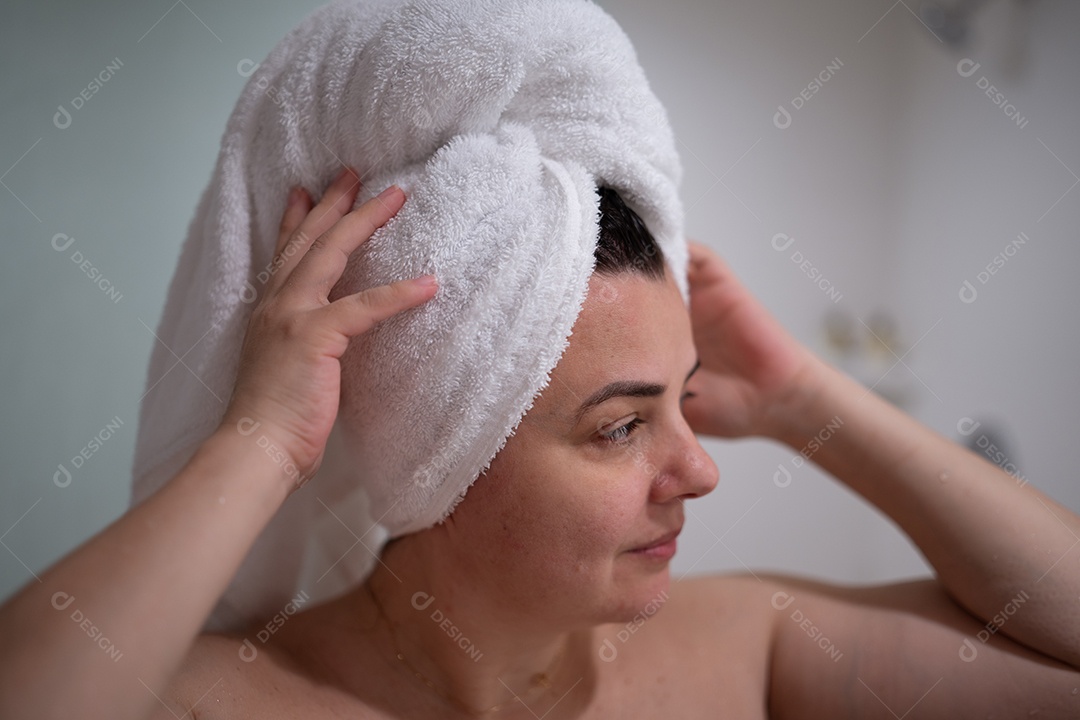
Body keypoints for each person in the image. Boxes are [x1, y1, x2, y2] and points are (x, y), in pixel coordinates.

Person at [1, 168, 1078, 720]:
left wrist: (803, 398)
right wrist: (261, 436)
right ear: (441, 460)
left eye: (685, 404)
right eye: (620, 427)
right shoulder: (224, 700)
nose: (699, 470)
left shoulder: (749, 647)